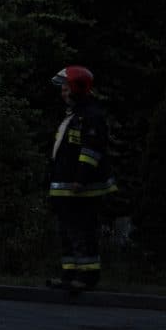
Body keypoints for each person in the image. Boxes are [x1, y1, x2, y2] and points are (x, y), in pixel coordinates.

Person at [47, 66, 117, 292]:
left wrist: (80, 179)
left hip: (83, 190)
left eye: (66, 89)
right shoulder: (74, 116)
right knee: (67, 233)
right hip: (66, 189)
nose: (63, 93)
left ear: (77, 88)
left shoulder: (91, 117)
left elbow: (91, 151)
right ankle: (68, 274)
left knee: (83, 232)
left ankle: (87, 277)